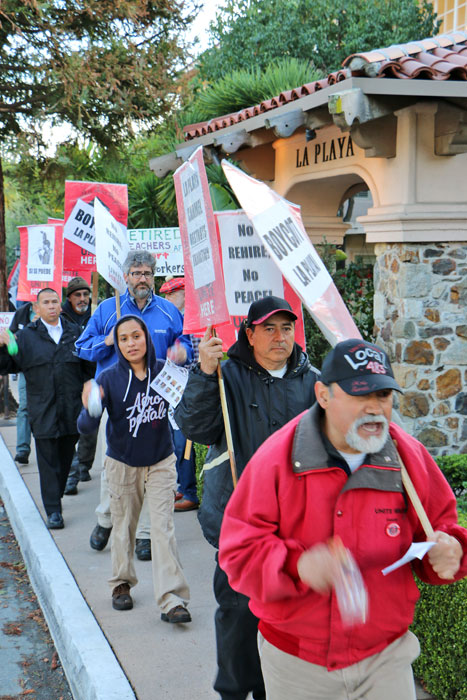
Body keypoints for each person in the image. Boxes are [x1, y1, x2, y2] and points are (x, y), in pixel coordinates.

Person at [218, 338, 467, 700]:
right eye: (358, 395)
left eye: (383, 396)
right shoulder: (276, 459)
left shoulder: (408, 458)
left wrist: (452, 551)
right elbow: (237, 553)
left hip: (387, 657)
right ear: (323, 395)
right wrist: (298, 565)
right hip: (297, 663)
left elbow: (443, 531)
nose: (374, 409)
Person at [175, 296, 319, 700]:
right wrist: (204, 372)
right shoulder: (225, 375)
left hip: (296, 527)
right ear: (249, 333)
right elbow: (195, 428)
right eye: (269, 328)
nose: (279, 337)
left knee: (289, 617)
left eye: (286, 328)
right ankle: (235, 693)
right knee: (238, 615)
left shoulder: (315, 383)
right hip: (238, 523)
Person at [76, 251, 193, 558]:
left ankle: (144, 534)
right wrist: (108, 341)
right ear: (125, 277)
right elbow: (82, 349)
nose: (143, 278)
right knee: (113, 464)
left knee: (151, 467)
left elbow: (185, 343)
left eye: (147, 273)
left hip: (153, 401)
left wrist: (182, 350)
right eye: (137, 273)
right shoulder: (106, 310)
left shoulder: (168, 311)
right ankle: (106, 518)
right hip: (114, 401)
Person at [78, 315, 191, 623]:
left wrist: (185, 359)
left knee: (162, 528)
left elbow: (187, 407)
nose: (131, 343)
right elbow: (86, 426)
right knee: (124, 526)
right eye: (124, 338)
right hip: (122, 463)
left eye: (136, 336)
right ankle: (121, 583)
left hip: (160, 461)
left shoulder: (165, 372)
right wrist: (92, 405)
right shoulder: (109, 379)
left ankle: (172, 599)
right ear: (118, 343)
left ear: (147, 338)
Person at [0, 288, 93, 529]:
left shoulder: (74, 333)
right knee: (47, 460)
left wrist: (89, 385)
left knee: (64, 458)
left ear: (60, 306)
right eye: (46, 302)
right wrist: (3, 346)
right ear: (37, 308)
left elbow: (88, 368)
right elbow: (7, 364)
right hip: (42, 410)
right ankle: (53, 510)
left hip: (71, 409)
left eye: (55, 301)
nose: (51, 306)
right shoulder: (26, 337)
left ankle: (56, 491)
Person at [159, 276, 200, 512]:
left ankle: (191, 492)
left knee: (184, 440)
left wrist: (182, 352)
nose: (167, 299)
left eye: (171, 294)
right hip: (174, 388)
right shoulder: (172, 317)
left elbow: (193, 346)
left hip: (190, 387)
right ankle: (184, 487)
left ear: (184, 292)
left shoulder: (193, 317)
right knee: (177, 441)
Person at [61, 276, 98, 495]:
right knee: (68, 427)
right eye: (78, 295)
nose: (82, 299)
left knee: (90, 423)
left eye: (85, 294)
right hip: (68, 379)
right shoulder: (62, 317)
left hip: (91, 378)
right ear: (70, 298)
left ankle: (84, 464)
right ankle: (71, 472)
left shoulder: (95, 316)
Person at [9, 301, 38, 464]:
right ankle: (22, 449)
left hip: (47, 366)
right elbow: (13, 337)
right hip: (26, 368)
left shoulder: (54, 311)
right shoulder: (21, 313)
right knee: (24, 407)